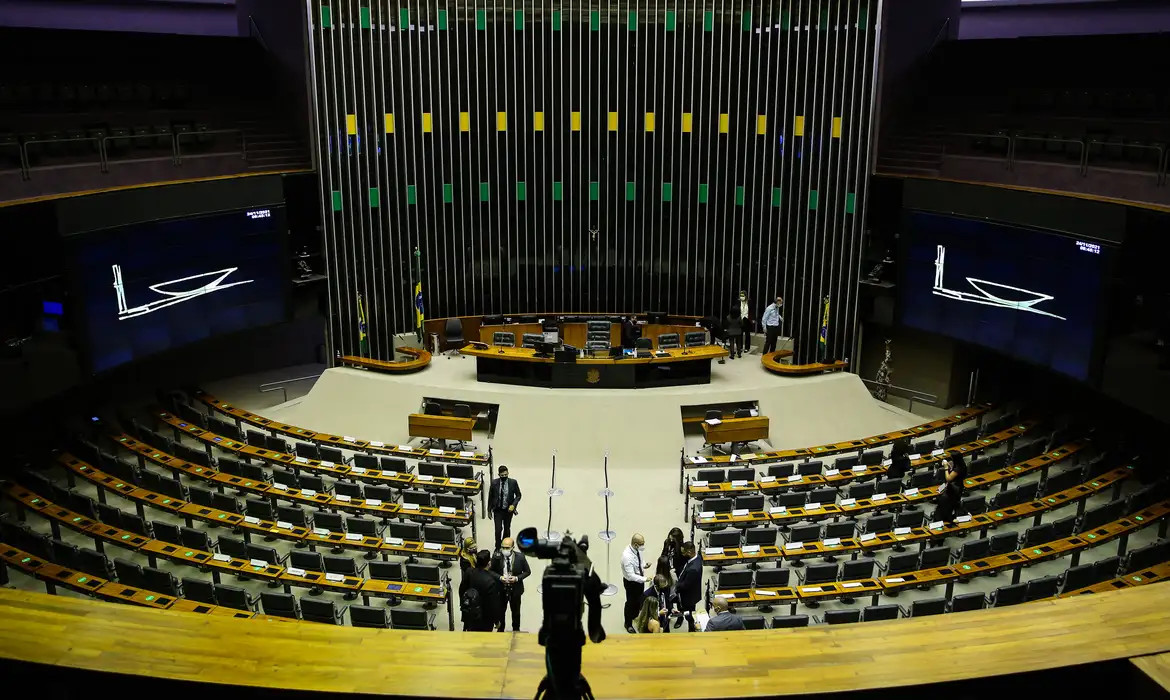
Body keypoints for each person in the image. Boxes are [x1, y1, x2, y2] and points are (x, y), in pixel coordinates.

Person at [490, 536, 531, 632]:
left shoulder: (520, 557)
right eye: (503, 547)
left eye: (507, 548)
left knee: (516, 613)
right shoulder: (496, 557)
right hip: (501, 589)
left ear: (513, 548)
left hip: (515, 589)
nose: (505, 550)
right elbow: (491, 571)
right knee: (501, 612)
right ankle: (501, 630)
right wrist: (500, 578)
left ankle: (516, 630)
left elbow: (527, 572)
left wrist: (516, 578)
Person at [459, 549, 503, 632]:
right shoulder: (490, 581)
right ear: (489, 563)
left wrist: (464, 606)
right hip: (484, 619)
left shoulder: (468, 572)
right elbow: (493, 604)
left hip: (469, 612)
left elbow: (461, 591)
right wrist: (496, 621)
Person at [620, 533, 651, 633]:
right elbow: (631, 576)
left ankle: (635, 615)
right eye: (642, 544)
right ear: (636, 544)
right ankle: (628, 623)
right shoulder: (627, 556)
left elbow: (639, 562)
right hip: (631, 583)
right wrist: (645, 579)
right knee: (630, 602)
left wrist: (644, 565)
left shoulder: (637, 550)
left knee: (639, 599)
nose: (643, 545)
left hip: (639, 580)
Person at [488, 465, 522, 550]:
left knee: (507, 529)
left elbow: (518, 495)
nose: (504, 476)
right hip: (498, 510)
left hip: (508, 510)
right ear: (499, 475)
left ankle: (505, 545)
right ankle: (497, 547)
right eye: (502, 475)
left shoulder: (513, 482)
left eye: (506, 475)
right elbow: (490, 497)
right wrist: (489, 510)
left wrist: (513, 505)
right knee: (498, 530)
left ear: (508, 473)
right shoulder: (494, 483)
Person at [671, 541, 702, 631]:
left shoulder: (693, 569)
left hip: (688, 597)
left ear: (689, 552)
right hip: (692, 592)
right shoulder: (697, 558)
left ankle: (691, 629)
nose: (682, 554)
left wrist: (675, 585)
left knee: (689, 614)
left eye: (683, 552)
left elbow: (685, 585)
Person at [931, 454, 968, 525]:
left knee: (947, 505)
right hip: (958, 487)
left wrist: (946, 468)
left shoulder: (958, 469)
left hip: (954, 490)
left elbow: (948, 479)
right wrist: (950, 467)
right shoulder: (963, 466)